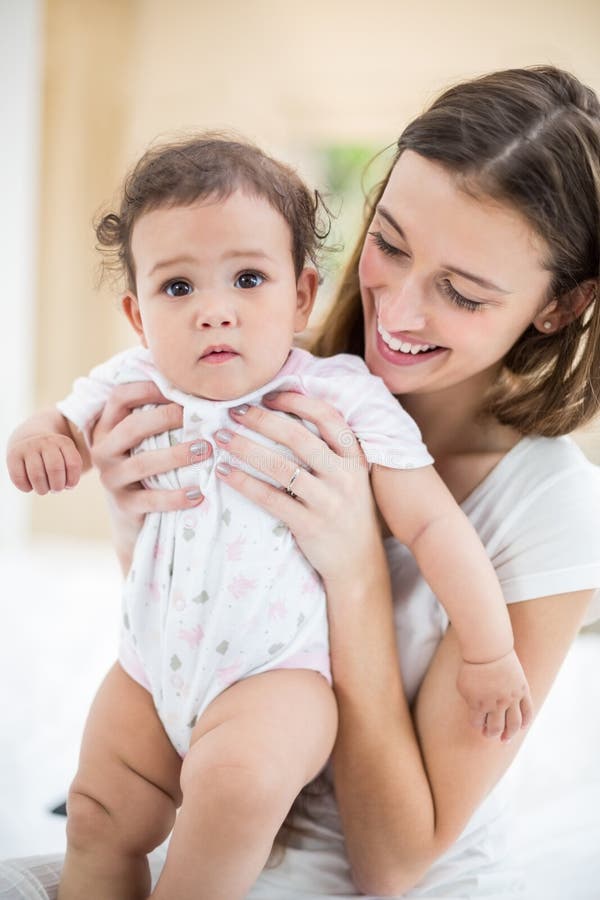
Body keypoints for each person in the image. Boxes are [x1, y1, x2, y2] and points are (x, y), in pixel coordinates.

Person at [2, 63, 600, 899]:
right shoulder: (256, 357)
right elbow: (199, 613)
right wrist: (130, 510)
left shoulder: (549, 504)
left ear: (560, 306)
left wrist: (354, 566)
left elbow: (391, 866)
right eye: (388, 244)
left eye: (461, 293)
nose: (396, 313)